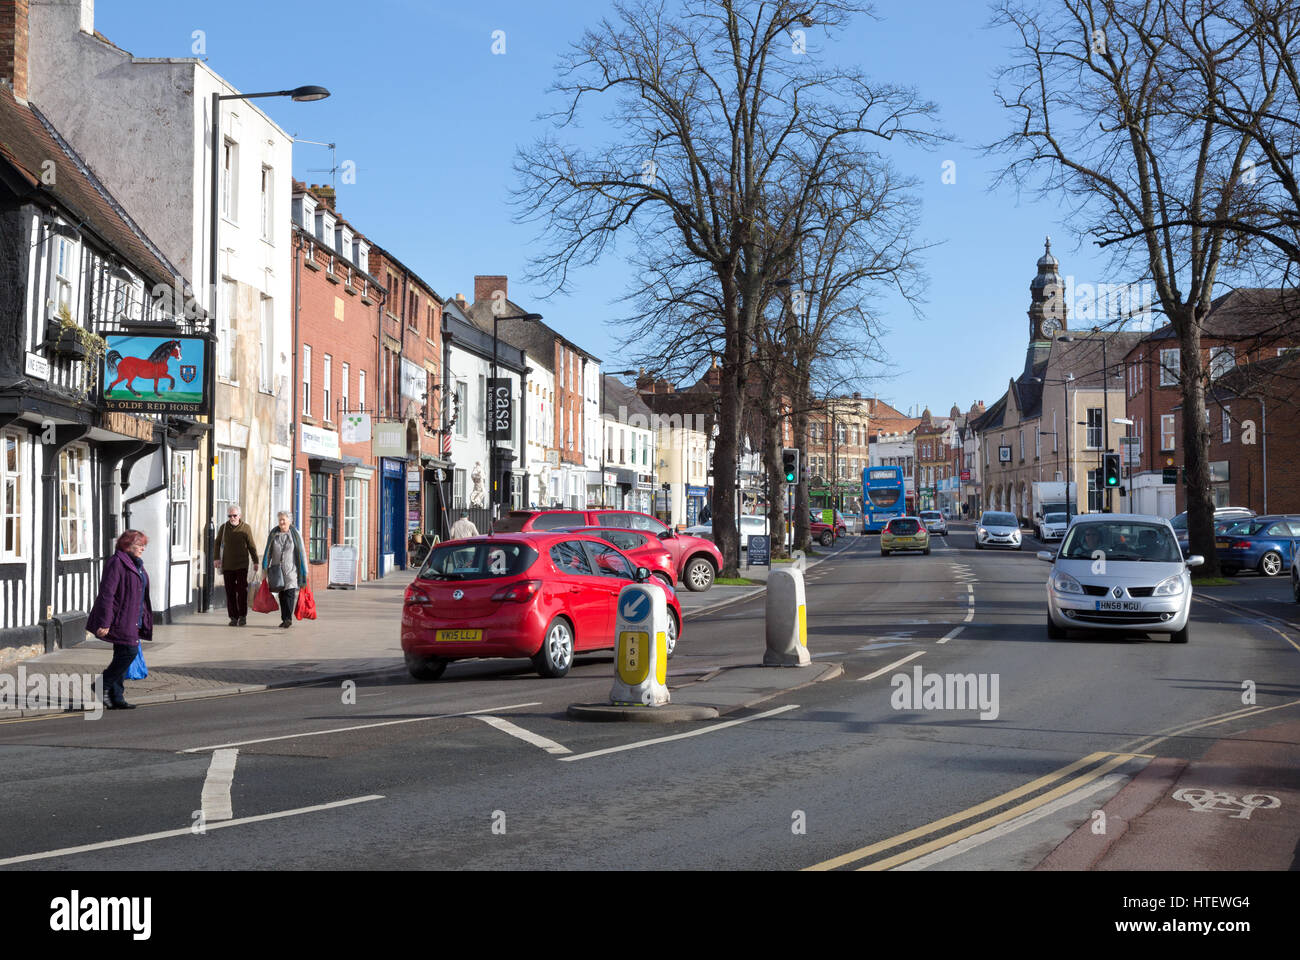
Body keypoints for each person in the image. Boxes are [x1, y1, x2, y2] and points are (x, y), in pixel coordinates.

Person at [86, 530, 153, 710]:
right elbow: (107, 594)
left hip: (134, 617)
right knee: (129, 652)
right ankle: (102, 684)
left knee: (123, 654)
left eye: (144, 545)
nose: (143, 549)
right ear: (128, 545)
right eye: (140, 545)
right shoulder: (116, 563)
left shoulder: (137, 564)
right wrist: (105, 622)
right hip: (121, 618)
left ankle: (117, 697)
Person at [261, 512, 308, 629]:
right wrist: (265, 568)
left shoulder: (295, 535)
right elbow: (268, 551)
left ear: (289, 521)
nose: (281, 522)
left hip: (291, 569)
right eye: (280, 520)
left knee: (290, 593)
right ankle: (284, 618)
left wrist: (305, 570)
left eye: (284, 520)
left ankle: (288, 619)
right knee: (281, 594)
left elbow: (302, 553)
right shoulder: (273, 533)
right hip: (277, 570)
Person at [214, 505, 259, 626]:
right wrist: (216, 558)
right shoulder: (224, 528)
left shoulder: (245, 528)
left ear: (240, 516)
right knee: (230, 592)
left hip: (242, 565)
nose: (232, 518)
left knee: (242, 591)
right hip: (227, 565)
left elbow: (251, 546)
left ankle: (242, 616)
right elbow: (217, 543)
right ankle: (233, 617)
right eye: (230, 516)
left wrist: (255, 561)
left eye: (234, 515)